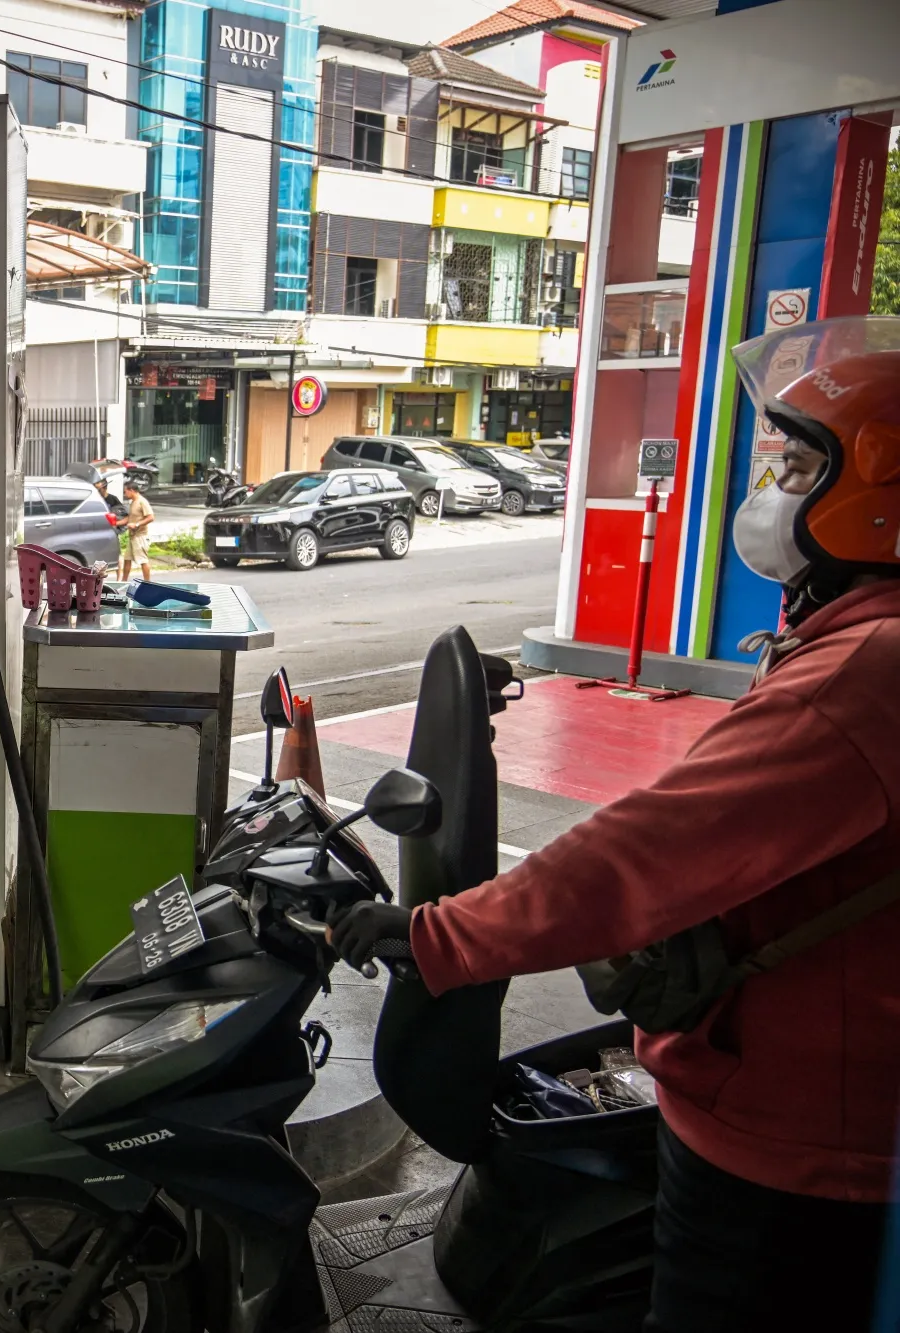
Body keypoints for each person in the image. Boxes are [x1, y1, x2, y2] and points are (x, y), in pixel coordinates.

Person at [329, 316, 900, 1332]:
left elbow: (648, 851)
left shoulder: (864, 671)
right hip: (791, 1101)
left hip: (786, 1137)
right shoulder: (846, 643)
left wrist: (438, 934)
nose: (773, 492)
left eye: (800, 466)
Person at [120, 478, 155, 582]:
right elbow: (129, 518)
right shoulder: (133, 502)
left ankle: (148, 583)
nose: (125, 494)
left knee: (143, 560)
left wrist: (137, 524)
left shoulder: (142, 502)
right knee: (127, 559)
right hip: (132, 536)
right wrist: (115, 523)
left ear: (131, 490)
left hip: (140, 536)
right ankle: (123, 581)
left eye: (125, 491)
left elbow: (151, 517)